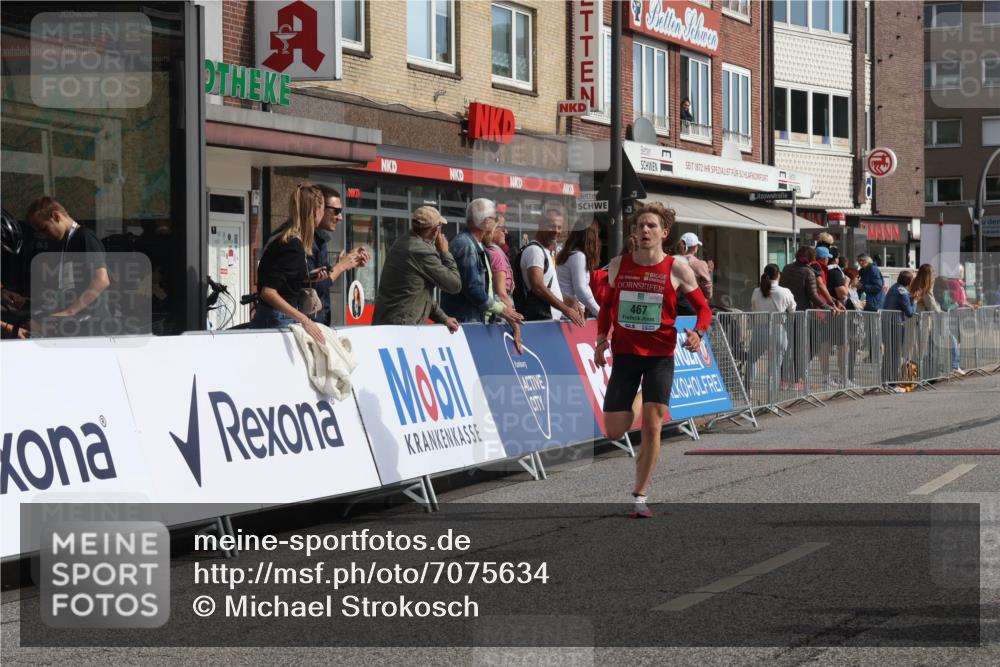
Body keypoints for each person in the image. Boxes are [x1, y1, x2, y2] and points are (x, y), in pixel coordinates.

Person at [593, 202, 712, 519]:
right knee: (613, 431)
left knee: (652, 426)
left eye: (651, 226)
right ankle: (643, 397)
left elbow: (704, 309)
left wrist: (698, 333)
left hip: (659, 357)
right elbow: (606, 307)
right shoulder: (618, 265)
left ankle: (640, 495)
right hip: (625, 356)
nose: (645, 230)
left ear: (664, 233)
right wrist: (601, 338)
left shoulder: (677, 268)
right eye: (640, 226)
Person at [250, 183, 326, 345]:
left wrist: (306, 278)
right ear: (315, 212)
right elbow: (268, 292)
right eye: (323, 209)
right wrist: (305, 320)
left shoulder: (281, 237)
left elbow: (279, 281)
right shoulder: (293, 245)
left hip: (271, 317)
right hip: (278, 320)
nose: (323, 213)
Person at [25, 196, 111, 335]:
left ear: (56, 216)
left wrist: (70, 311)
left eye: (44, 228)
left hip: (92, 324)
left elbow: (101, 280)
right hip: (76, 323)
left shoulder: (85, 237)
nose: (44, 235)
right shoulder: (66, 242)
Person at [372, 206, 460, 330]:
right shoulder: (422, 251)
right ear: (435, 230)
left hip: (391, 323)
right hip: (401, 328)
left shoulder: (403, 242)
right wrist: (445, 252)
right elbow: (454, 285)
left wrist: (443, 318)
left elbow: (418, 294)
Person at [441, 198, 523, 328]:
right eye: (494, 219)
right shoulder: (466, 245)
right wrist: (502, 310)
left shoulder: (475, 245)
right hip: (466, 322)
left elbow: (484, 289)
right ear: (486, 221)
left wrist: (501, 309)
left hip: (473, 320)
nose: (496, 223)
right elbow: (472, 288)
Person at [310, 185, 369, 324]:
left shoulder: (319, 239)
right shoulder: (303, 240)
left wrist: (342, 264)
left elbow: (320, 280)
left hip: (318, 321)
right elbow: (314, 288)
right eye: (336, 211)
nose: (340, 217)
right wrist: (340, 266)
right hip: (307, 324)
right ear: (319, 209)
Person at [516, 208, 585, 325]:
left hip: (548, 320)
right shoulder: (535, 251)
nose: (556, 231)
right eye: (551, 226)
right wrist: (566, 309)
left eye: (559, 227)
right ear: (540, 224)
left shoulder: (543, 251)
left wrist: (568, 301)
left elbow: (548, 288)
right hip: (540, 321)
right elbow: (537, 287)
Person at [747, 264, 796, 397]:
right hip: (778, 329)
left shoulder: (756, 291)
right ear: (778, 275)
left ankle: (748, 390)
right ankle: (771, 397)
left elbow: (753, 308)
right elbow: (792, 310)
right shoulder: (785, 292)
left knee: (751, 360)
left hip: (759, 329)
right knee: (775, 365)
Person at [910, 263, 963, 376]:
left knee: (919, 348)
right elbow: (932, 305)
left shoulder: (916, 283)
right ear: (928, 275)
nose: (934, 275)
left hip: (917, 319)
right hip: (922, 320)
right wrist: (940, 312)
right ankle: (919, 375)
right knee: (921, 349)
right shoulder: (926, 287)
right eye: (932, 273)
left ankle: (918, 373)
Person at [555, 222, 602, 318]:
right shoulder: (578, 256)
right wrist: (599, 312)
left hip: (566, 312)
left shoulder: (569, 254)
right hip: (571, 315)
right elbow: (581, 290)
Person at [780, 247, 832, 312]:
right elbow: (813, 296)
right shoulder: (808, 272)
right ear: (812, 258)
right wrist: (828, 307)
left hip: (786, 308)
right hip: (802, 310)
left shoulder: (786, 268)